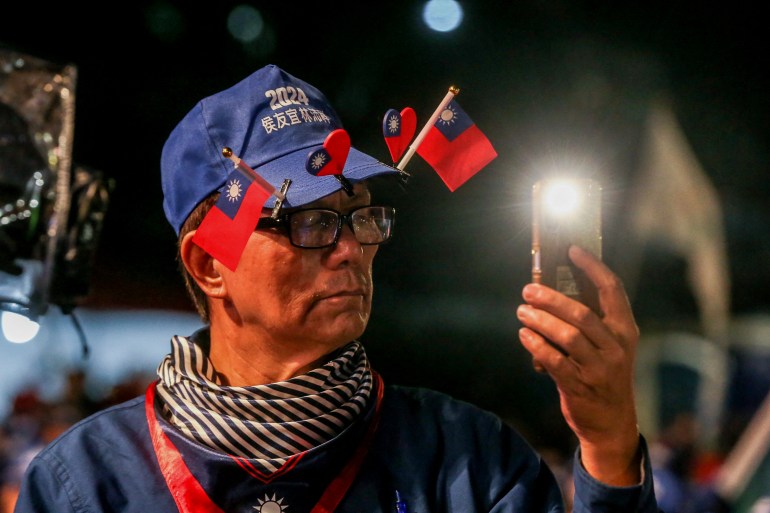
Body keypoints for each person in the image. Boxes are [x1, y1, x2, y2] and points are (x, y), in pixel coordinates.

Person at [13, 64, 659, 512]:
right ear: (210, 263)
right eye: (311, 220)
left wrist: (606, 446)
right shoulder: (88, 482)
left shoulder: (468, 458)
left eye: (362, 215)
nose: (351, 248)